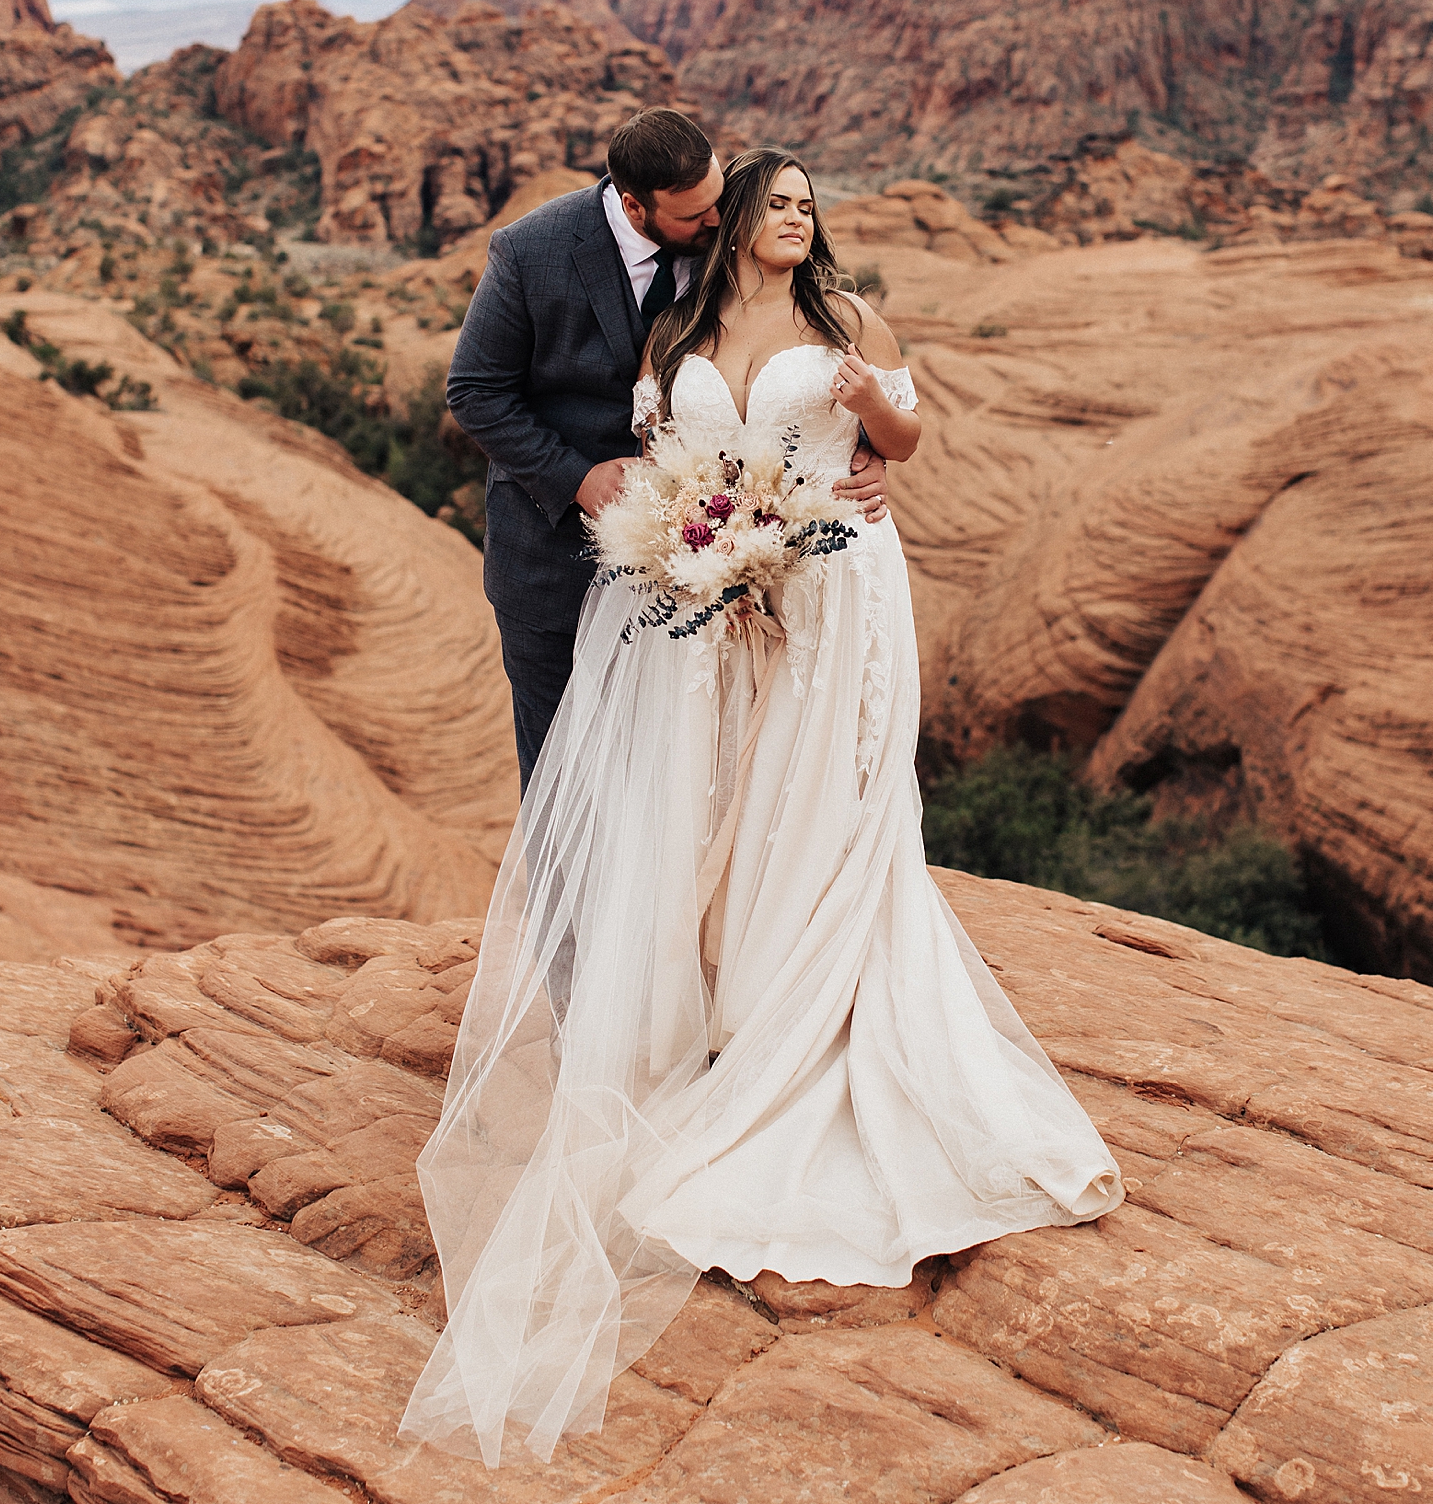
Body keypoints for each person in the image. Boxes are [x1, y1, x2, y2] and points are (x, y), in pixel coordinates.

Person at [403, 146, 1123, 1471]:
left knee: (821, 804)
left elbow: (904, 436)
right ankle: (723, 1008)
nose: (796, 219)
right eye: (776, 203)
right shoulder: (678, 322)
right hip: (715, 587)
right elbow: (658, 445)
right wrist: (692, 540)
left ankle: (809, 1006)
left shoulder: (847, 318)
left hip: (839, 582)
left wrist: (874, 431)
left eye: (807, 205)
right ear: (734, 220)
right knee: (725, 801)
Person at [446, 107, 889, 792]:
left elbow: (802, 356)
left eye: (721, 202)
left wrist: (865, 441)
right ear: (635, 205)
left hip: (716, 558)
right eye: (696, 216)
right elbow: (475, 391)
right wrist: (577, 476)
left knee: (681, 778)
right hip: (553, 556)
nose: (718, 224)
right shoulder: (531, 250)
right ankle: (572, 906)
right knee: (565, 772)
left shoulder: (719, 226)